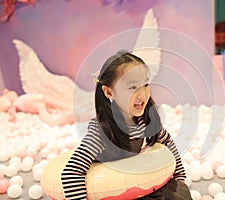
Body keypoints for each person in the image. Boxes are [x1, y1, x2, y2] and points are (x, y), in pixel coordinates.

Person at [61, 50, 192, 200]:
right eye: (132, 87)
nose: (142, 95)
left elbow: (167, 140)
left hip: (133, 183)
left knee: (177, 194)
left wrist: (179, 175)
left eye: (145, 84)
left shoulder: (144, 121)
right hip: (110, 189)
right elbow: (71, 172)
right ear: (109, 93)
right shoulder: (102, 133)